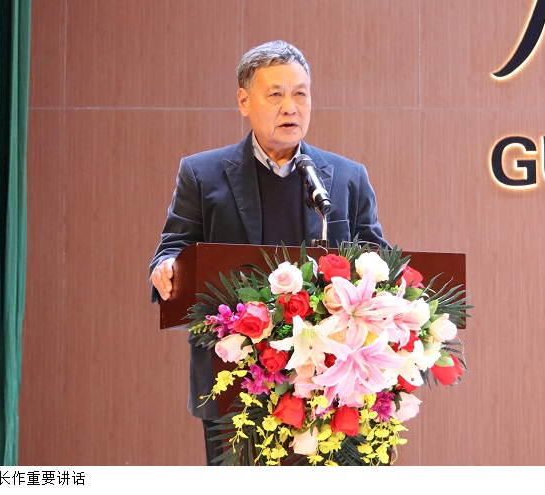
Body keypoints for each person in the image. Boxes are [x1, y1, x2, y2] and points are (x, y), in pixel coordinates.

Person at [149, 40, 390, 465]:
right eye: (275, 94)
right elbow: (174, 245)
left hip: (330, 382)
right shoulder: (203, 174)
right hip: (235, 376)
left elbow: (378, 261)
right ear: (244, 101)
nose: (290, 107)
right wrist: (166, 266)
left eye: (300, 93)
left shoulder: (346, 178)